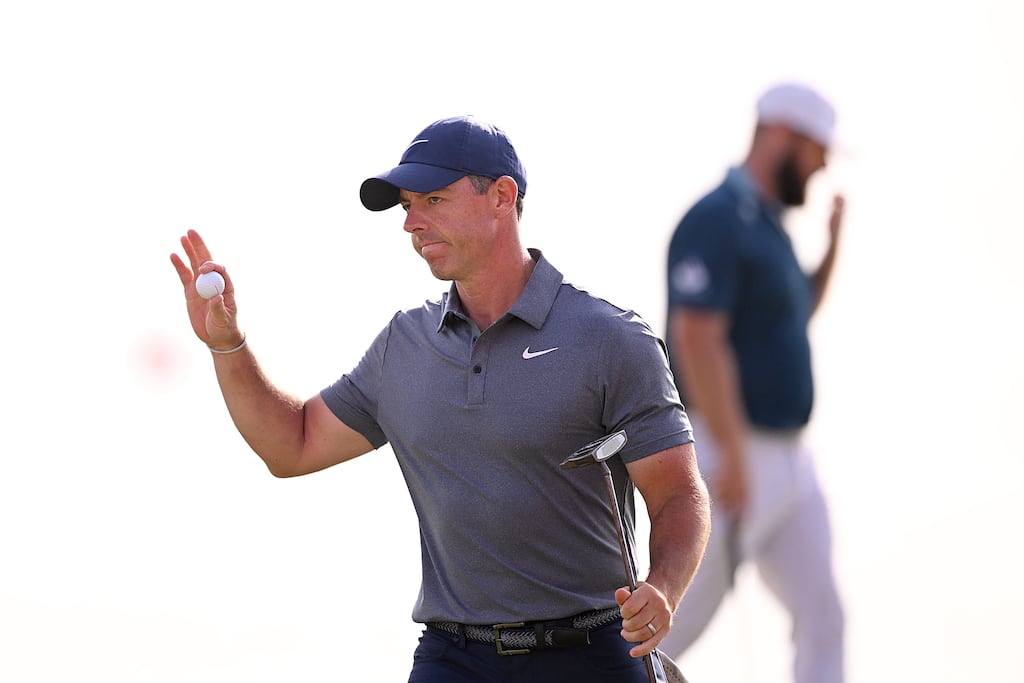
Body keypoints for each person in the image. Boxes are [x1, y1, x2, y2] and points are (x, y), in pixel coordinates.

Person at [171, 115, 711, 683]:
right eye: (407, 206)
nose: (412, 222)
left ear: (502, 197)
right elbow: (293, 446)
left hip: (593, 653)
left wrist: (664, 589)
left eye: (433, 199)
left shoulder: (610, 339)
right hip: (454, 658)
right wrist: (227, 345)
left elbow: (678, 494)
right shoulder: (403, 345)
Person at [658, 84, 846, 683]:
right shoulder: (717, 219)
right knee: (671, 623)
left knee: (823, 616)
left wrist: (833, 247)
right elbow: (696, 338)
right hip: (731, 452)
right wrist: (735, 454)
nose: (822, 166)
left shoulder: (769, 226)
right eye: (818, 150)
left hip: (789, 459)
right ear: (784, 135)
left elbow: (793, 313)